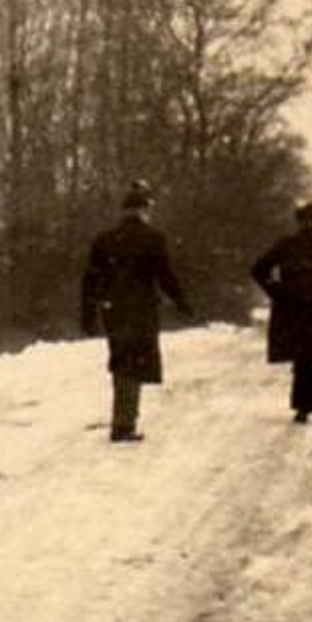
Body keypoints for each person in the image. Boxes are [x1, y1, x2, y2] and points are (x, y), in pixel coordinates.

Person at [80, 179, 193, 442]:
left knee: (121, 361)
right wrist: (181, 301)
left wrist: (88, 314)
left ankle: (124, 420)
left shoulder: (105, 240)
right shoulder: (152, 239)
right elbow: (165, 275)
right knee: (136, 364)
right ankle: (124, 424)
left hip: (114, 311)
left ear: (123, 210)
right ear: (145, 209)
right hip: (142, 311)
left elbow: (90, 280)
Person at [251, 201, 312, 423]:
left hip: (299, 309)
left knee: (305, 358)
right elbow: (259, 269)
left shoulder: (289, 244)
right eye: (308, 220)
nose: (310, 224)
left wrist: (277, 292)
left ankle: (305, 405)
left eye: (311, 220)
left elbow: (259, 270)